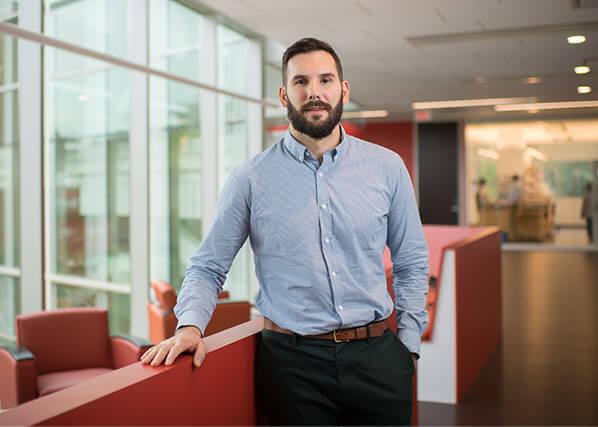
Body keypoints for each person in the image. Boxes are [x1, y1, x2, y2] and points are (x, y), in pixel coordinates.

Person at [140, 37, 429, 426]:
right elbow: (208, 266)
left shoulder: (387, 167)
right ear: (284, 94)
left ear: (343, 90)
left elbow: (411, 260)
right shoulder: (251, 179)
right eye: (301, 82)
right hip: (293, 367)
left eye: (325, 80)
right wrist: (190, 326)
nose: (314, 92)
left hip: (378, 359)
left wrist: (408, 346)